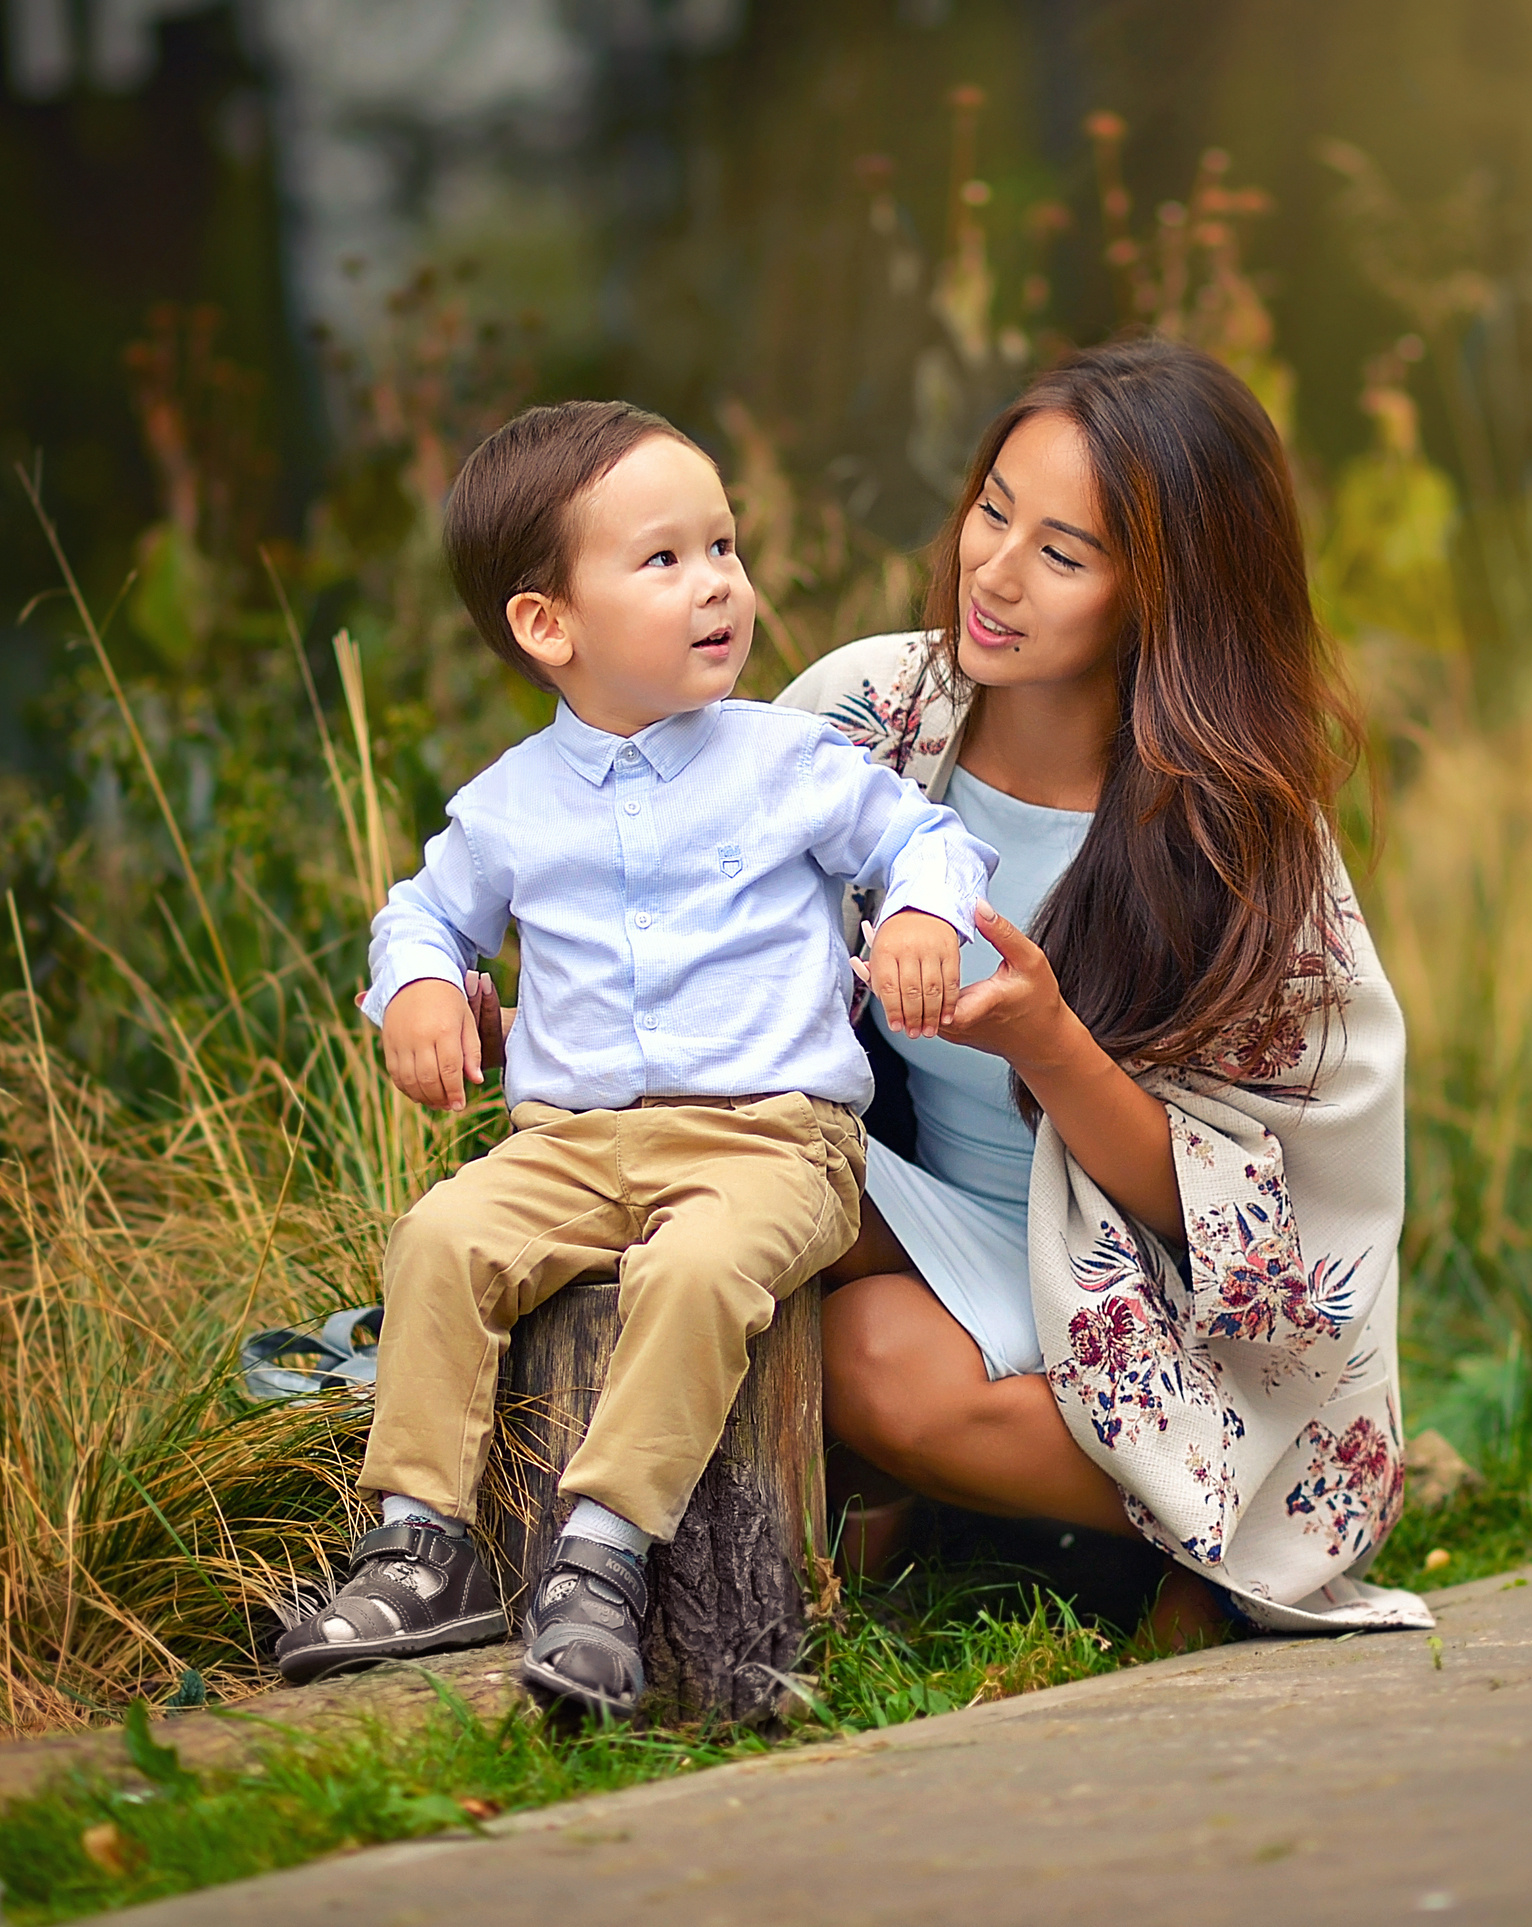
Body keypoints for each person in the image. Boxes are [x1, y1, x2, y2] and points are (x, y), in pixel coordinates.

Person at [273, 400, 997, 1716]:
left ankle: (599, 1558)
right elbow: (419, 913)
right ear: (550, 626)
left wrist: (920, 919)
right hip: (567, 1146)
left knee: (699, 1268)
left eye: (724, 545)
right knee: (441, 1235)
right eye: (664, 560)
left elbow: (925, 841)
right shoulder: (509, 803)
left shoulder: (790, 760)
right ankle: (420, 1543)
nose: (719, 580)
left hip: (771, 1144)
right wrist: (424, 986)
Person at [780, 336, 1431, 1637]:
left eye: (1063, 556)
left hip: (1142, 1294)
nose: (996, 574)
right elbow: (709, 910)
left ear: (1163, 593)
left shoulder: (1230, 845)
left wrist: (1053, 1044)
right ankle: (817, 1546)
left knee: (867, 1369)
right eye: (993, 510)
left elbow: (1251, 1225)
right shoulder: (874, 715)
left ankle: (1213, 1520)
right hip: (921, 1216)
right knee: (732, 1174)